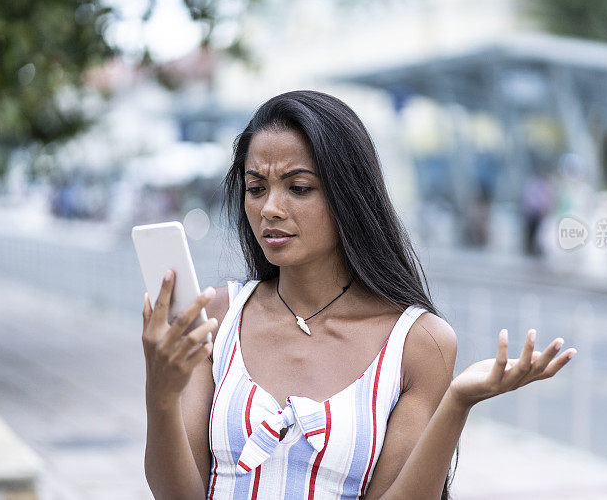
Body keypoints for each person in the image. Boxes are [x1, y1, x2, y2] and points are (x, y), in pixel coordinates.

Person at [140, 90, 576, 499]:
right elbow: (177, 494)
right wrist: (160, 394)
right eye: (256, 188)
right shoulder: (218, 314)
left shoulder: (418, 343)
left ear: (348, 194)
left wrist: (459, 400)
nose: (270, 208)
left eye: (299, 187)